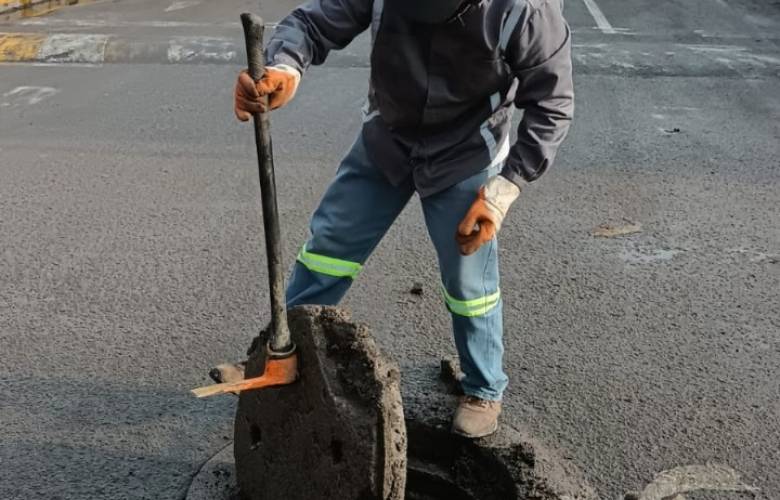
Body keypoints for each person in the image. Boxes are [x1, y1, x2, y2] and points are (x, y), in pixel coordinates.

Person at [232, 0, 574, 438]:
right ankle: (282, 354)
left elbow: (552, 103)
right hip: (388, 139)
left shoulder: (522, 10)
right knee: (328, 250)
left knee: (470, 283)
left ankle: (484, 388)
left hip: (464, 153)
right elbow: (313, 22)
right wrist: (284, 67)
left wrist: (502, 192)